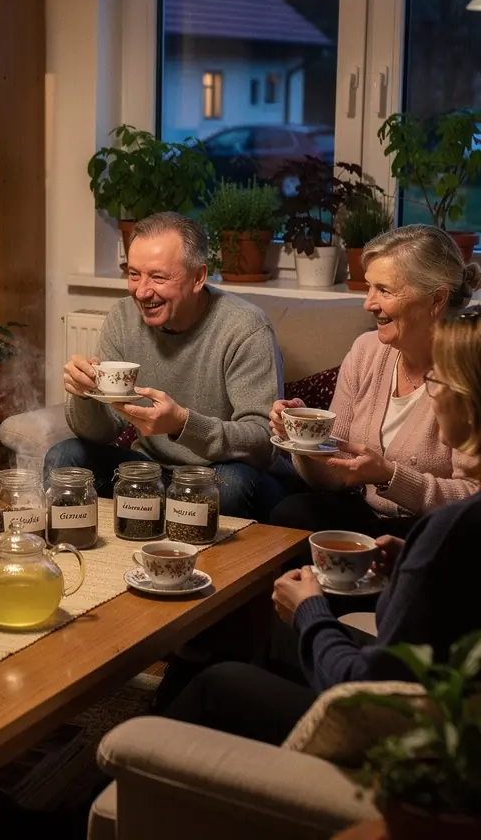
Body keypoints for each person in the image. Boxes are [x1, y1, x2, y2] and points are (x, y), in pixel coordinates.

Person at [163, 307, 481, 746]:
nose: (430, 392)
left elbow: (363, 691)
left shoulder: (449, 529)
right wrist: (410, 567)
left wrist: (309, 610)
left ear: (467, 398)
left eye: (438, 380)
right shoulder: (451, 539)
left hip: (393, 734)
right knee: (259, 638)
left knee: (217, 685)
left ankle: (129, 770)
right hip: (422, 688)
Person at [49, 211, 282, 518]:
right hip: (151, 471)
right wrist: (84, 395)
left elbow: (263, 440)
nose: (142, 291)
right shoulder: (122, 318)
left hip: (219, 473)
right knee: (65, 456)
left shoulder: (245, 328)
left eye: (158, 277)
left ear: (198, 277)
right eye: (134, 274)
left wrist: (183, 425)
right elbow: (102, 431)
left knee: (232, 485)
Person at [267, 225, 480, 539]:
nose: (368, 303)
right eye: (369, 288)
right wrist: (304, 442)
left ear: (436, 299)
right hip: (365, 514)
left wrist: (389, 476)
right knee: (291, 512)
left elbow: (474, 498)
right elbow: (334, 475)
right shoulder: (367, 351)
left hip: (433, 530)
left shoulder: (467, 369)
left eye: (385, 290)